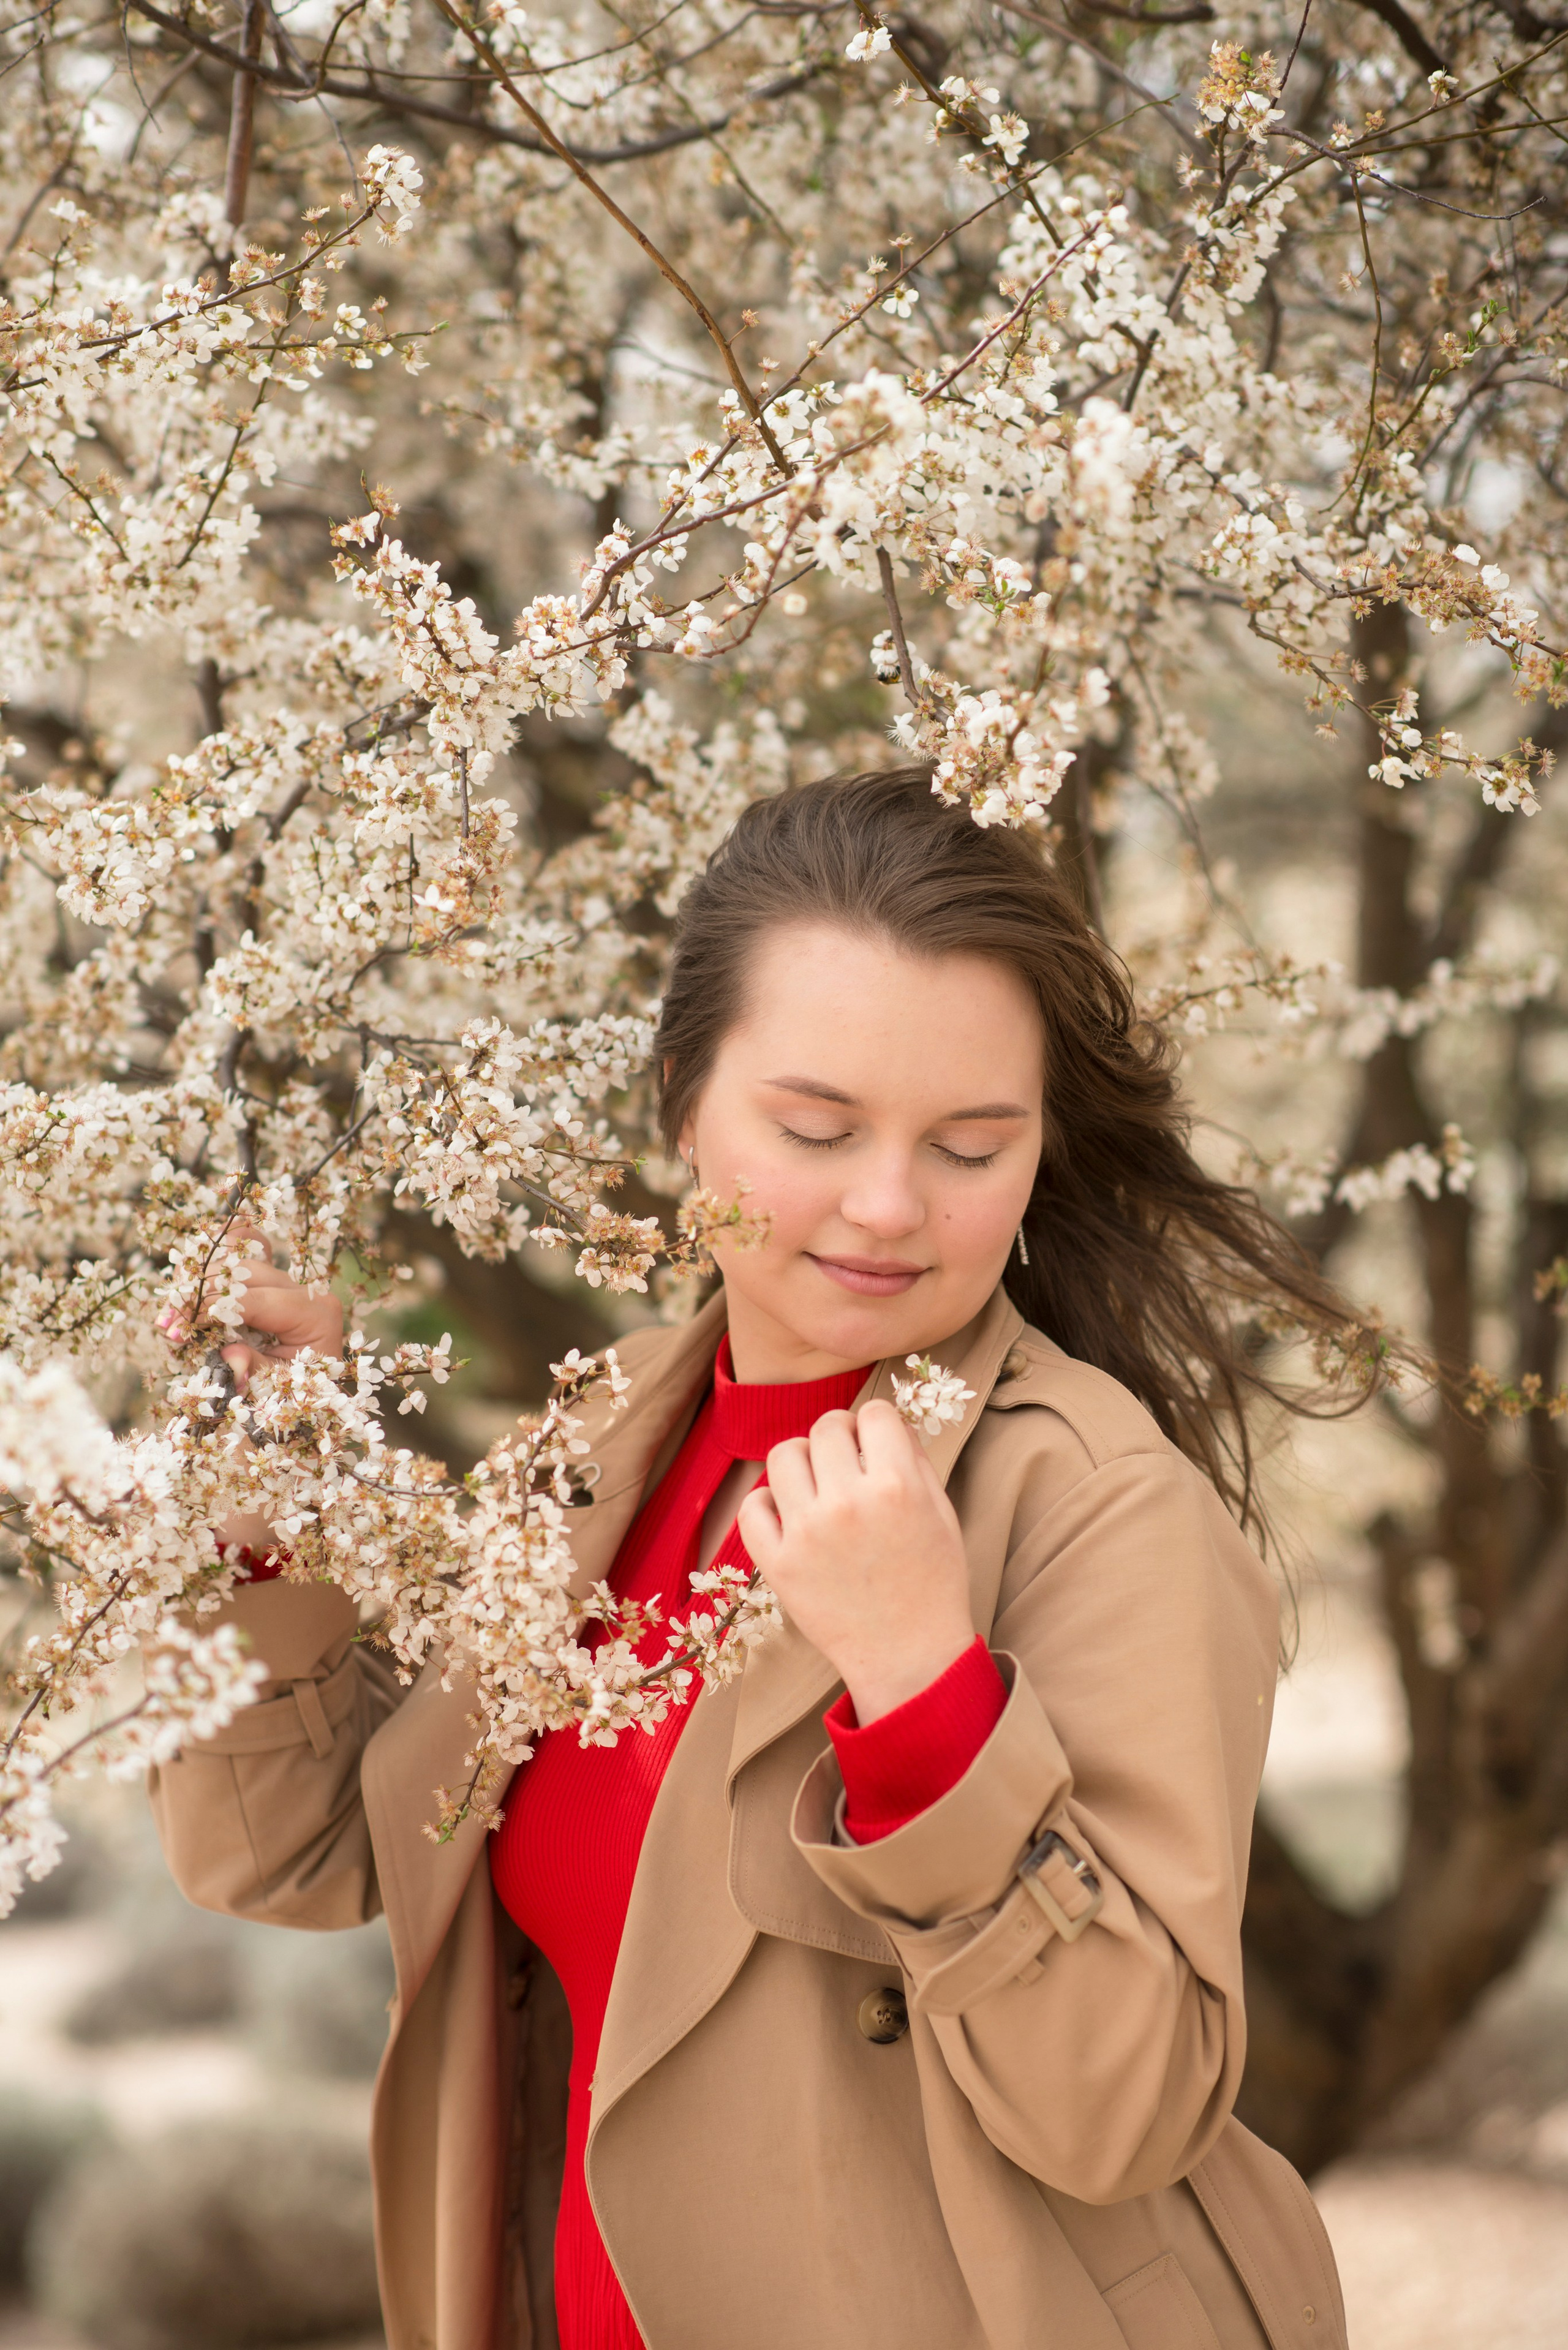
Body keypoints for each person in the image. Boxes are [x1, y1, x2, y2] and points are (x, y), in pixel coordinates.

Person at [151, 769, 1351, 2350]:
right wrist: (273, 1510)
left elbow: (1126, 2113)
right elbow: (298, 1853)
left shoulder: (1098, 1505)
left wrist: (927, 1699)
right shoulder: (603, 1442)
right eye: (816, 1126)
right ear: (680, 1101)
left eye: (972, 1147)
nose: (886, 1206)